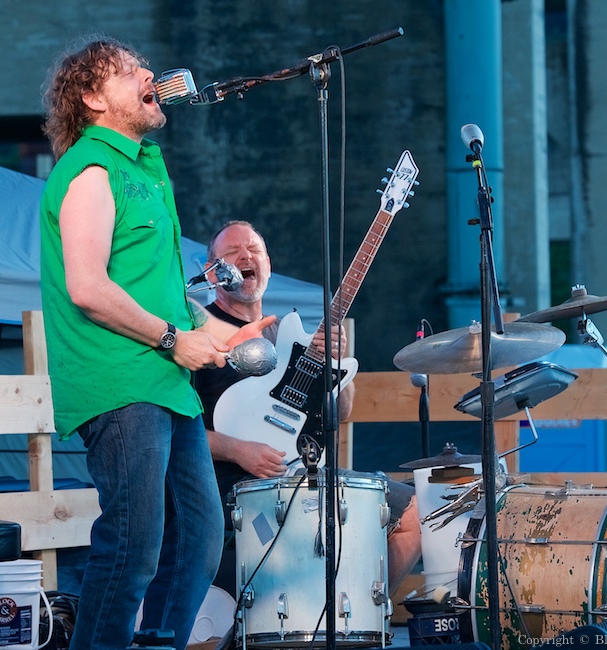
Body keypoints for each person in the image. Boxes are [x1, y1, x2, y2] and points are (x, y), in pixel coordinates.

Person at [39, 38, 274, 650]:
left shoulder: (144, 167)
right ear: (92, 97)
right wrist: (174, 341)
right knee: (135, 541)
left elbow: (158, 288)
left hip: (168, 384)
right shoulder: (91, 170)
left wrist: (215, 334)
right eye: (128, 72)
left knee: (199, 537)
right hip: (122, 381)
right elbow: (88, 288)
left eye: (145, 67)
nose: (149, 74)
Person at [194, 220, 422, 596]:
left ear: (268, 263)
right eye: (232, 252)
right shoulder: (199, 334)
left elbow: (341, 411)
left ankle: (361, 618)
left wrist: (337, 362)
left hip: (307, 474)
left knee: (412, 513)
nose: (245, 257)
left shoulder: (289, 333)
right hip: (234, 484)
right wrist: (239, 450)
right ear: (211, 272)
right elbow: (175, 431)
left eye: (254, 250)